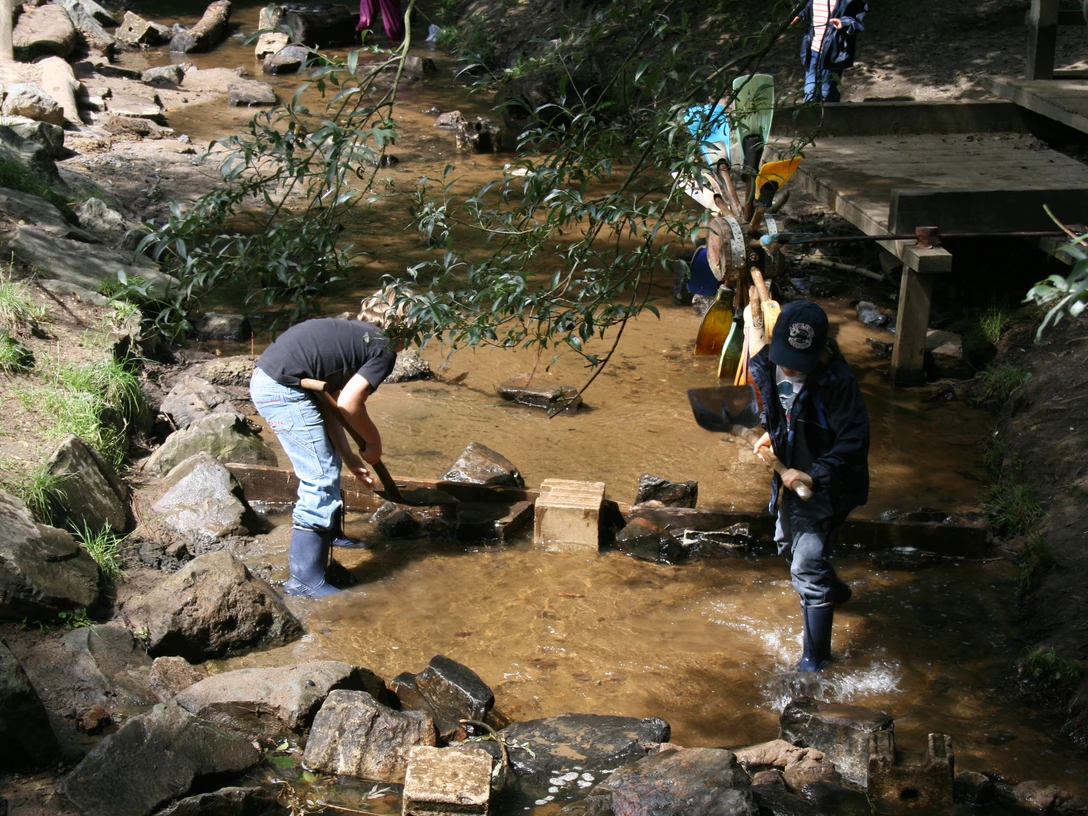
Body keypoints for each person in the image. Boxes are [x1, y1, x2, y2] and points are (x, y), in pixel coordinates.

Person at [249, 296, 403, 597]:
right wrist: (373, 443)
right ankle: (305, 580)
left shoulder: (349, 335)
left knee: (327, 463)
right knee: (319, 478)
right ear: (405, 330)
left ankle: (330, 535)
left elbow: (329, 403)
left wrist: (348, 455)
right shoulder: (383, 347)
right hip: (282, 390)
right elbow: (349, 403)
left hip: (272, 381)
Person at [749, 300, 869, 671]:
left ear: (820, 354)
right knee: (786, 543)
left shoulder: (838, 383)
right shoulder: (768, 366)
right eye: (785, 358)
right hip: (790, 476)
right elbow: (781, 411)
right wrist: (772, 433)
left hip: (830, 483)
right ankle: (835, 590)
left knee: (806, 565)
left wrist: (814, 474)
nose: (789, 368)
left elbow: (854, 442)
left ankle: (815, 663)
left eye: (799, 364)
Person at [793, 0, 869, 103]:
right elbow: (807, 8)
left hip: (834, 51)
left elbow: (858, 19)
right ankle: (811, 116)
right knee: (809, 94)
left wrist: (844, 23)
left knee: (826, 92)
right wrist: (799, 14)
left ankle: (833, 113)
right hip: (813, 50)